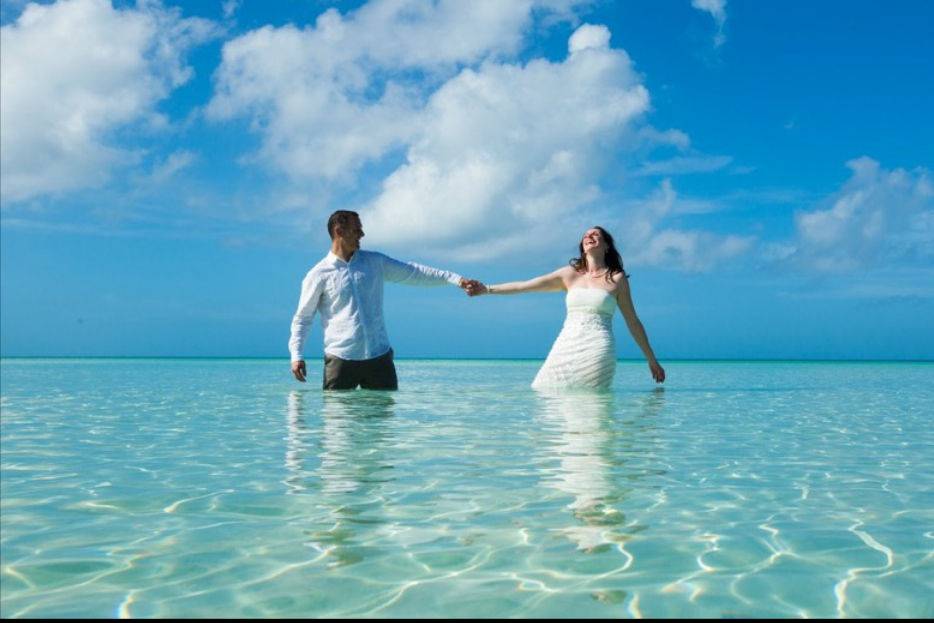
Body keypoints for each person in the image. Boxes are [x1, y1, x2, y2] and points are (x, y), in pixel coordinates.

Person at [289, 210, 475, 390]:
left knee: (383, 421)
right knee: (338, 422)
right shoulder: (318, 274)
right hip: (340, 359)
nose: (362, 234)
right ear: (339, 232)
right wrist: (296, 355)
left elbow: (414, 272)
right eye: (356, 229)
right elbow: (303, 318)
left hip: (379, 358)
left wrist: (455, 279)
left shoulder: (375, 262)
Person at [466, 226, 665, 390]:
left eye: (596, 234)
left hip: (598, 349)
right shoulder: (569, 274)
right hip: (566, 345)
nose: (590, 236)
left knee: (592, 406)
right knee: (545, 390)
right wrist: (486, 289)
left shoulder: (617, 279)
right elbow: (525, 285)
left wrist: (651, 359)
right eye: (586, 235)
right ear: (582, 246)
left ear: (606, 246)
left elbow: (632, 321)